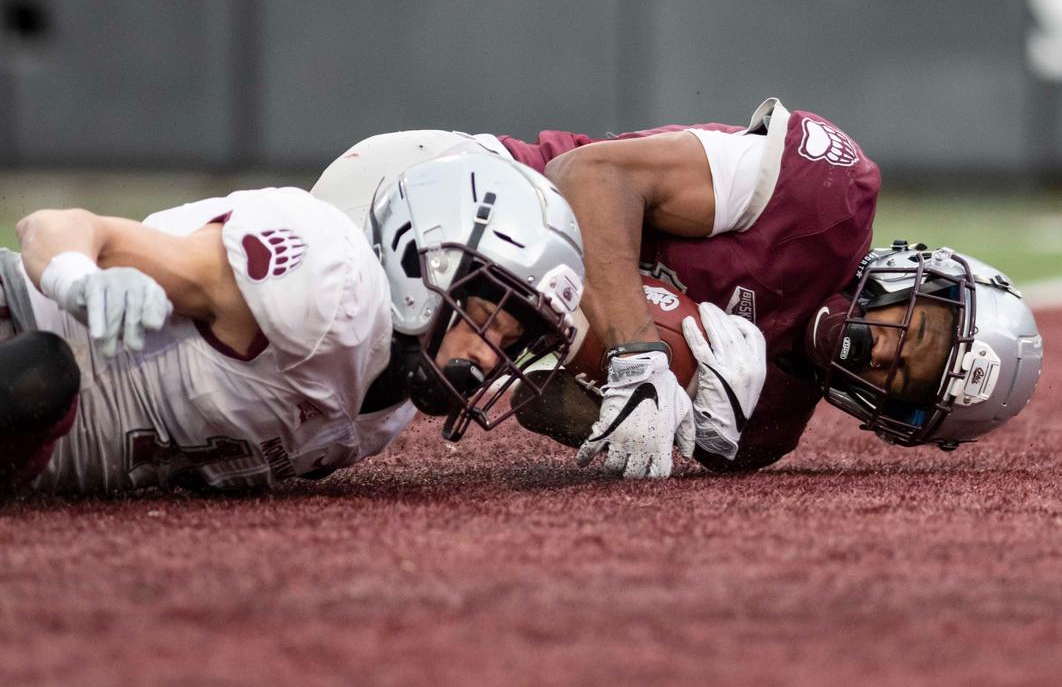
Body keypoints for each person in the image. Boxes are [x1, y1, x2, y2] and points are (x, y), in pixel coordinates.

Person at [314, 97, 1043, 479]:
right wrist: (641, 354)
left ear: (892, 420)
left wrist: (644, 414)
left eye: (902, 380)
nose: (879, 350)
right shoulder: (826, 197)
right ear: (920, 277)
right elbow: (590, 175)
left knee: (293, 438)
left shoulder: (762, 432)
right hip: (457, 202)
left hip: (462, 339)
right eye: (912, 329)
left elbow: (540, 405)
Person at [0, 153, 585, 496]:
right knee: (41, 376)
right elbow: (58, 224)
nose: (488, 360)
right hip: (18, 329)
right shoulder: (326, 284)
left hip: (35, 456)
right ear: (419, 260)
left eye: (511, 344)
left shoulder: (387, 413)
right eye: (484, 320)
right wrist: (80, 280)